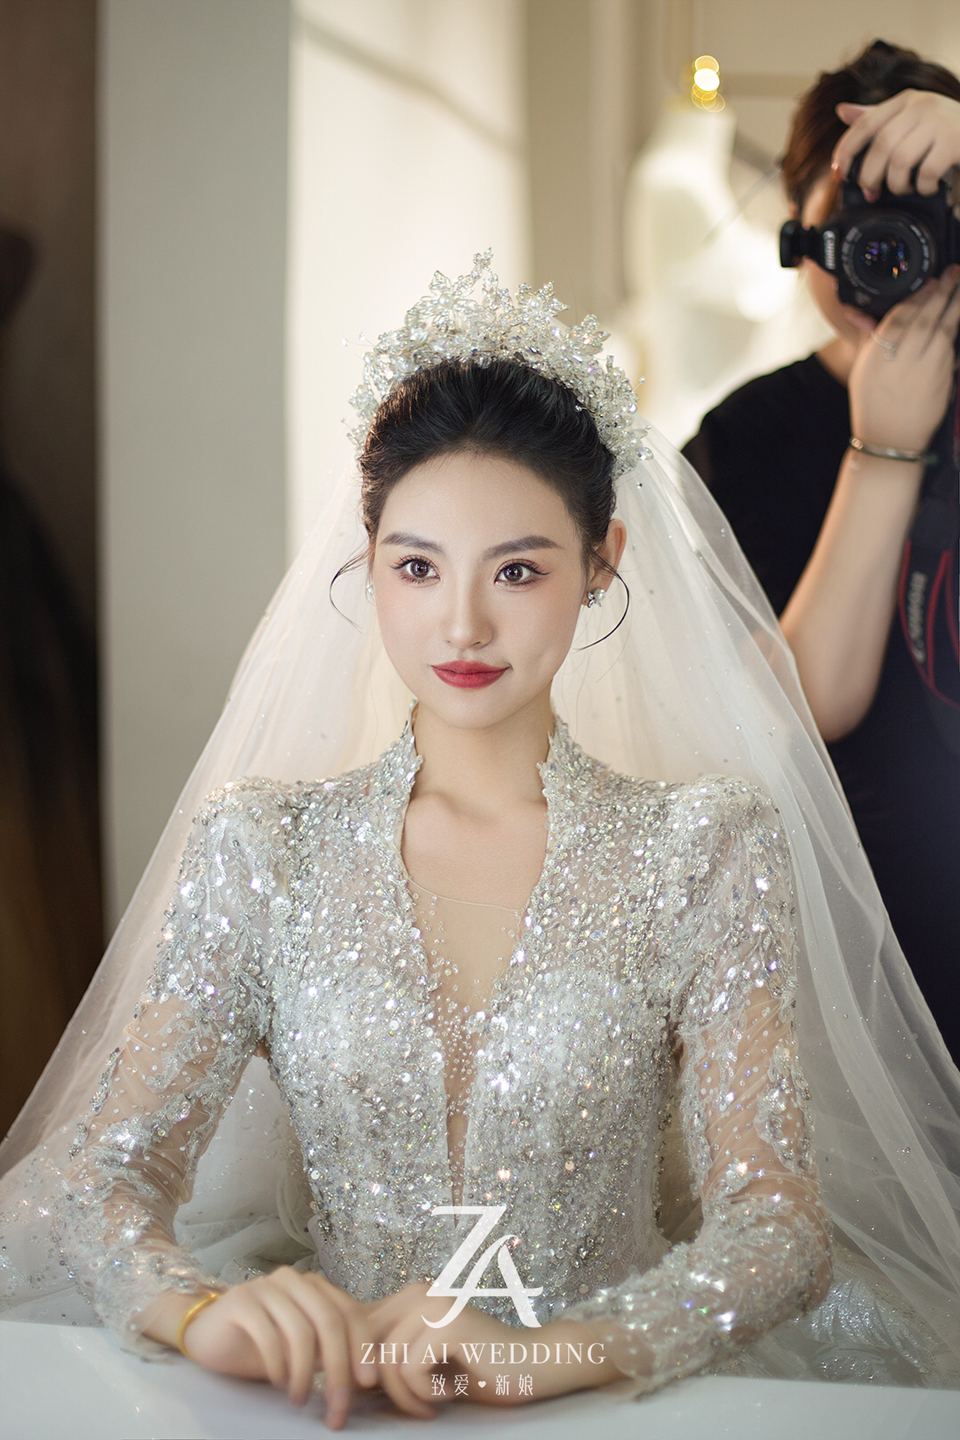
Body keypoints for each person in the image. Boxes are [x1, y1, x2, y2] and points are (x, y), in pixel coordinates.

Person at [1, 259, 959, 1426]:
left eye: (517, 570)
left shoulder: (701, 849)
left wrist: (546, 1357)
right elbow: (101, 1174)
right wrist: (199, 1312)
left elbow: (778, 1228)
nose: (461, 623)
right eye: (417, 567)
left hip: (603, 1404)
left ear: (602, 563)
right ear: (368, 562)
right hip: (336, 1400)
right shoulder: (265, 849)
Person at [682, 41, 960, 1059]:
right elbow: (797, 706)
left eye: (925, 213)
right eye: (854, 219)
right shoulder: (740, 438)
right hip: (872, 949)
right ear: (798, 229)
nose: (888, 251)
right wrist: (884, 447)